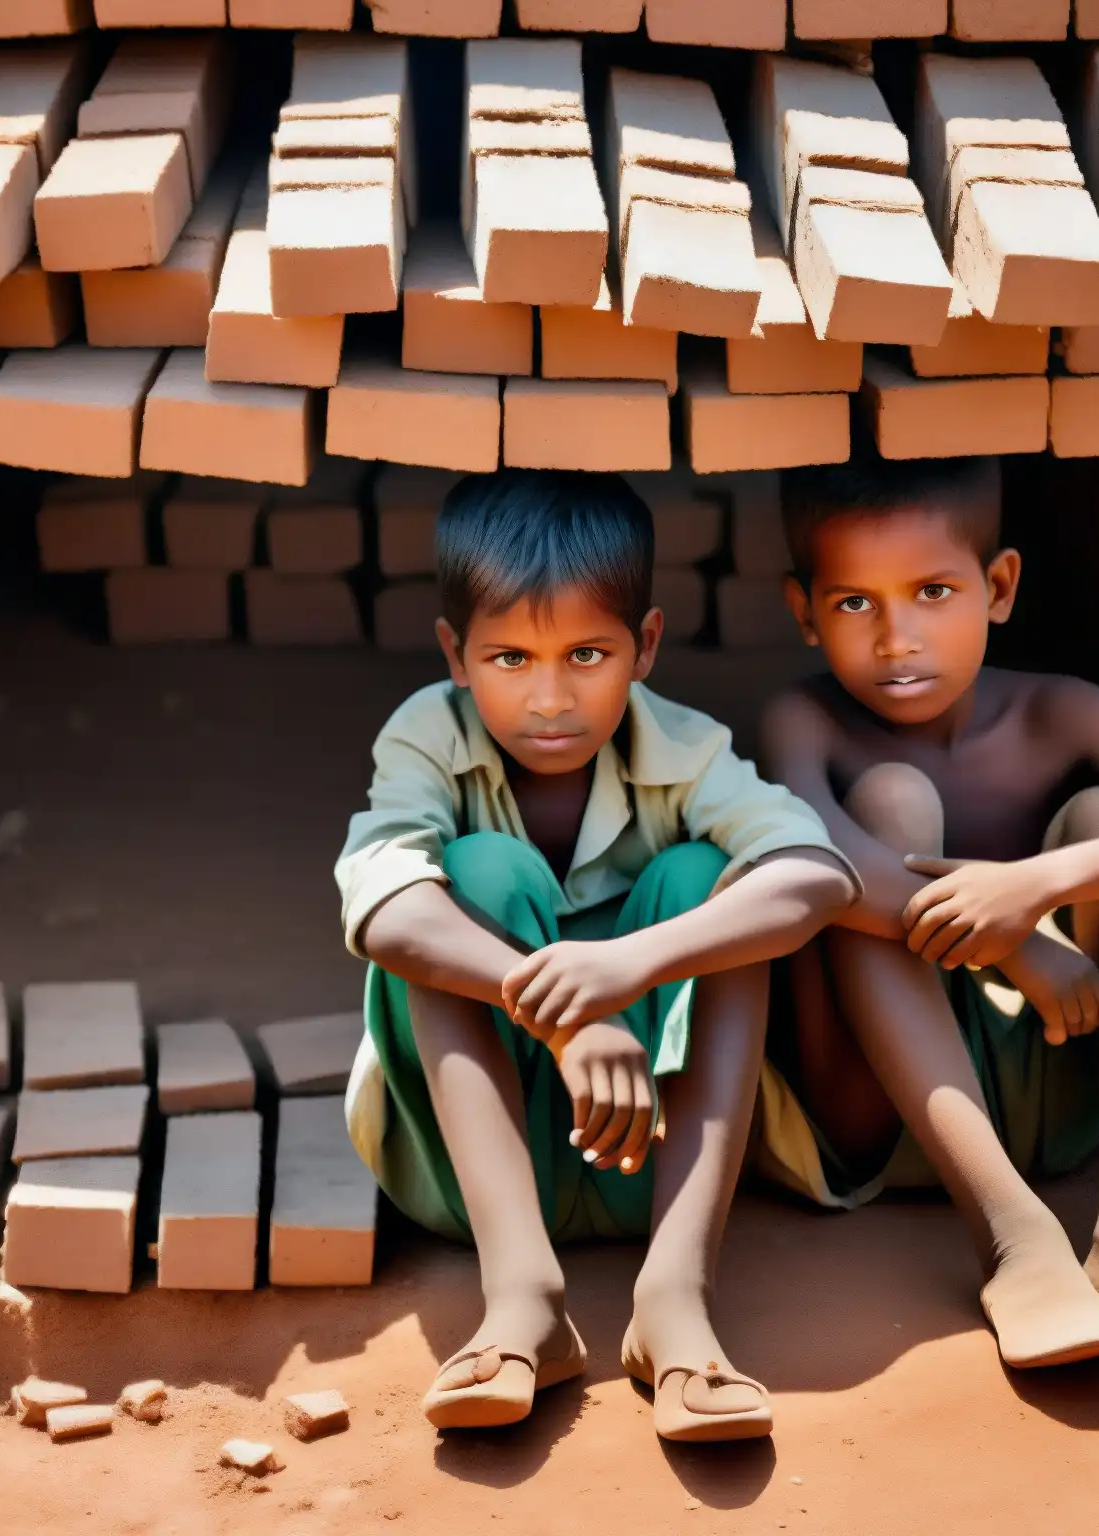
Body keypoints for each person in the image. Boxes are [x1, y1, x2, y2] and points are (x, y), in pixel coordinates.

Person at [337, 469, 856, 1442]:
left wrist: (629, 969)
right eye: (507, 657)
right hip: (481, 1169)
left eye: (585, 654)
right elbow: (380, 909)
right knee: (468, 878)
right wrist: (570, 1019)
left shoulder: (688, 749)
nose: (547, 698)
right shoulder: (426, 736)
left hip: (652, 1153)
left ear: (644, 646)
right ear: (454, 652)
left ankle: (674, 1298)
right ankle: (523, 1297)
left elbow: (815, 873)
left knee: (714, 879)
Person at [756, 452, 1099, 1370]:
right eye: (854, 604)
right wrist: (1014, 949)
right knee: (883, 809)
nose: (896, 638)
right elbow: (818, 869)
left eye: (931, 591)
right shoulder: (804, 723)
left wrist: (1036, 887)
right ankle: (1015, 1241)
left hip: (1050, 1089)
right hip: (873, 1116)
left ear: (998, 586)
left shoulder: (1060, 714)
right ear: (804, 610)